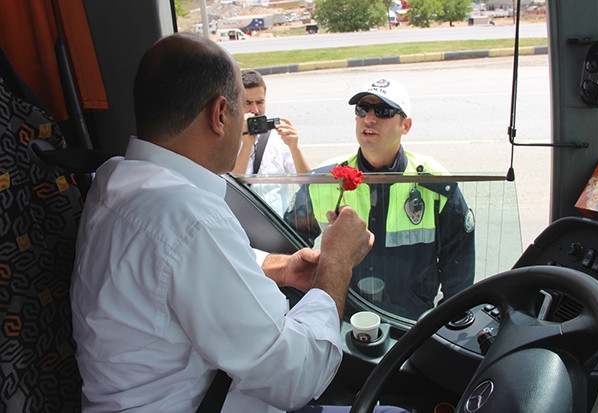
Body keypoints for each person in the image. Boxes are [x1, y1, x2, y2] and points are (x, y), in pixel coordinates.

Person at [70, 33, 409, 413]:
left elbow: (175, 266)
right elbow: (297, 375)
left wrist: (278, 266)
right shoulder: (190, 217)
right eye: (240, 110)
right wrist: (337, 262)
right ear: (219, 115)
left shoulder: (114, 179)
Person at [284, 78, 476, 320]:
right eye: (362, 109)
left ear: (406, 125)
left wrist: (443, 325)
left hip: (410, 326)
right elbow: (286, 249)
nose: (369, 119)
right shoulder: (325, 180)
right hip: (341, 322)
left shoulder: (435, 182)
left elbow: (459, 266)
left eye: (383, 111)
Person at [232, 69, 310, 216]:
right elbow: (231, 188)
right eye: (247, 103)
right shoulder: (226, 139)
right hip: (243, 226)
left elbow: (307, 183)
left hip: (277, 225)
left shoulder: (276, 137)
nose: (255, 110)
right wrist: (246, 145)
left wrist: (295, 148)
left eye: (260, 102)